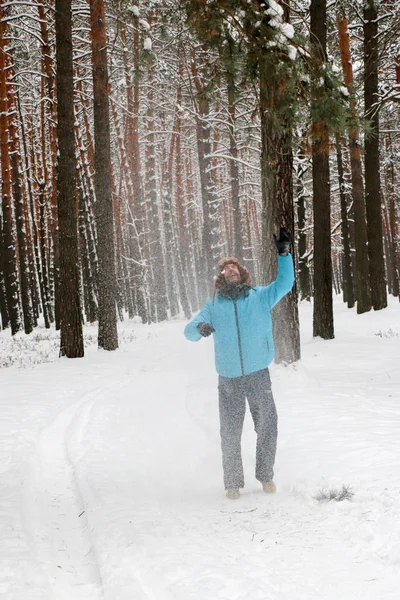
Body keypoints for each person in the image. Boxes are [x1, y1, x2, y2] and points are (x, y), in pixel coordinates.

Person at [184, 229, 294, 500]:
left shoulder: (259, 297)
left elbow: (285, 283)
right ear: (220, 277)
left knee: (268, 425)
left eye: (234, 267)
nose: (230, 270)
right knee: (231, 432)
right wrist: (200, 327)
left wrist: (284, 254)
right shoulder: (213, 305)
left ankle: (266, 476)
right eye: (225, 269)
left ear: (242, 273)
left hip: (258, 374)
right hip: (229, 379)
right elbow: (188, 332)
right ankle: (232, 483)